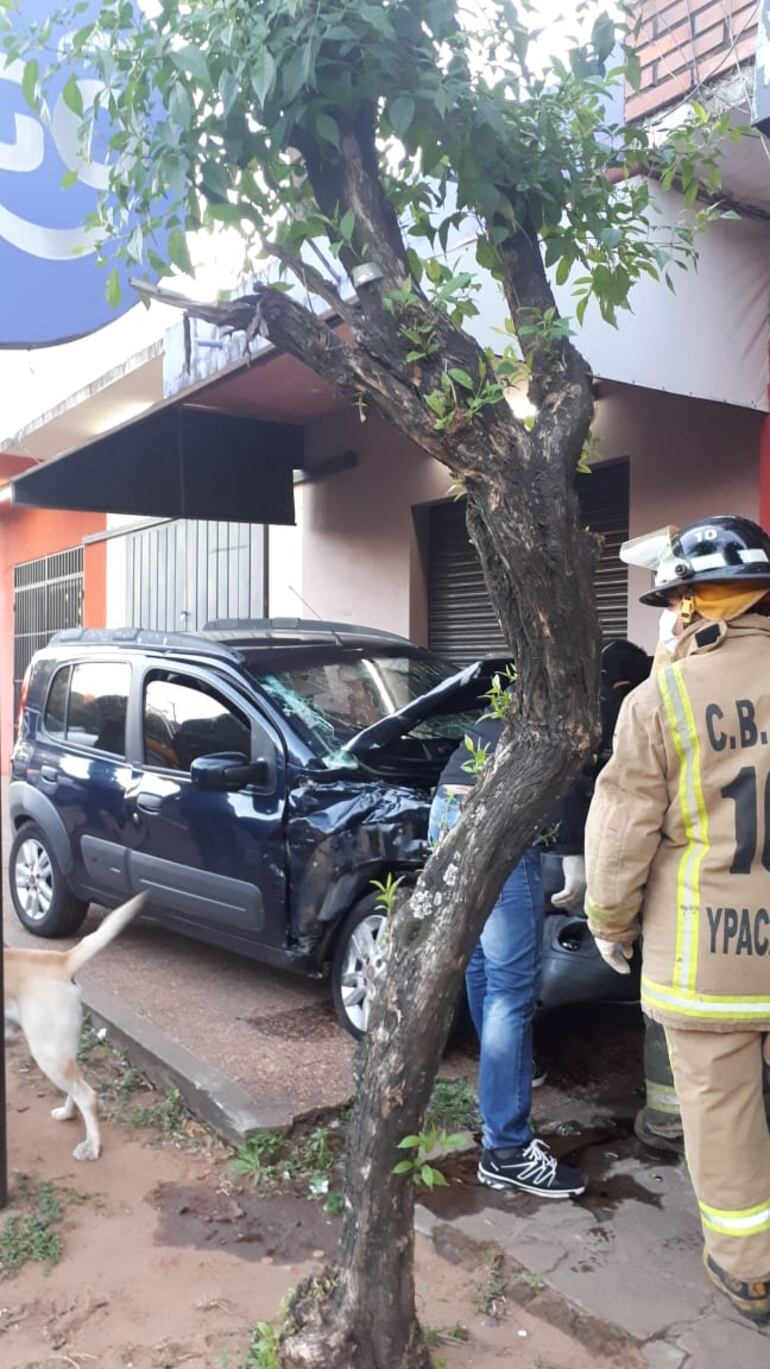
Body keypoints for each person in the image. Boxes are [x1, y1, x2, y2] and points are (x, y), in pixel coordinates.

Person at [585, 514, 770, 1324]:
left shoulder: (661, 699)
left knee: (724, 1116)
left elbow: (623, 830)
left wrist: (610, 921)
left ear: (691, 605)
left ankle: (749, 1272)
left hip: (710, 961)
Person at [430, 706, 589, 1200]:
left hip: (446, 808)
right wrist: (574, 853)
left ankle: (502, 1086)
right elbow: (568, 772)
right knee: (511, 988)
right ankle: (508, 1150)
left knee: (482, 967)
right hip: (501, 820)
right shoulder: (592, 697)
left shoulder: (530, 692)